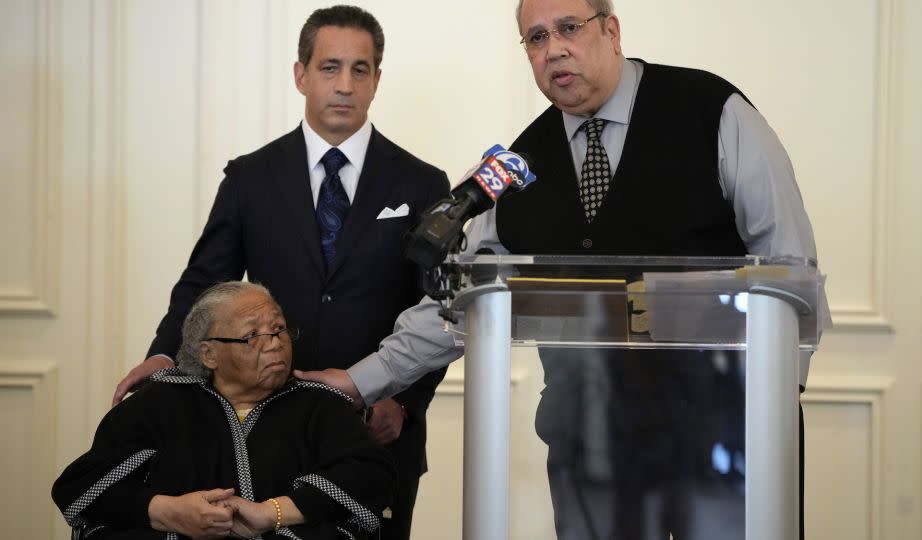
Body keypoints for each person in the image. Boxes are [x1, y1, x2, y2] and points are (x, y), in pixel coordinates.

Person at [310, 0, 828, 539]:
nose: (554, 48)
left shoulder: (713, 110)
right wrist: (358, 382)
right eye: (535, 38)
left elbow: (787, 264)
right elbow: (462, 299)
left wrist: (777, 399)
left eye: (569, 28)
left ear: (611, 30)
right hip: (593, 447)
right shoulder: (518, 166)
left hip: (729, 435)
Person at [110, 6, 449, 539]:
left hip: (377, 435)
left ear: (377, 80)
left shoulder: (424, 183)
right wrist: (163, 354)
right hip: (265, 424)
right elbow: (203, 284)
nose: (344, 84)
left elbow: (440, 309)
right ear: (301, 74)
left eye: (360, 70)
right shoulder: (250, 177)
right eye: (329, 67)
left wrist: (403, 400)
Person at [53, 281, 396, 540]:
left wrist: (272, 513)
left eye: (278, 329)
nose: (274, 342)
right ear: (209, 354)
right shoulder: (159, 403)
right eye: (252, 335)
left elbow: (371, 477)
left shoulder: (318, 402)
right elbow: (80, 486)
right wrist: (167, 512)